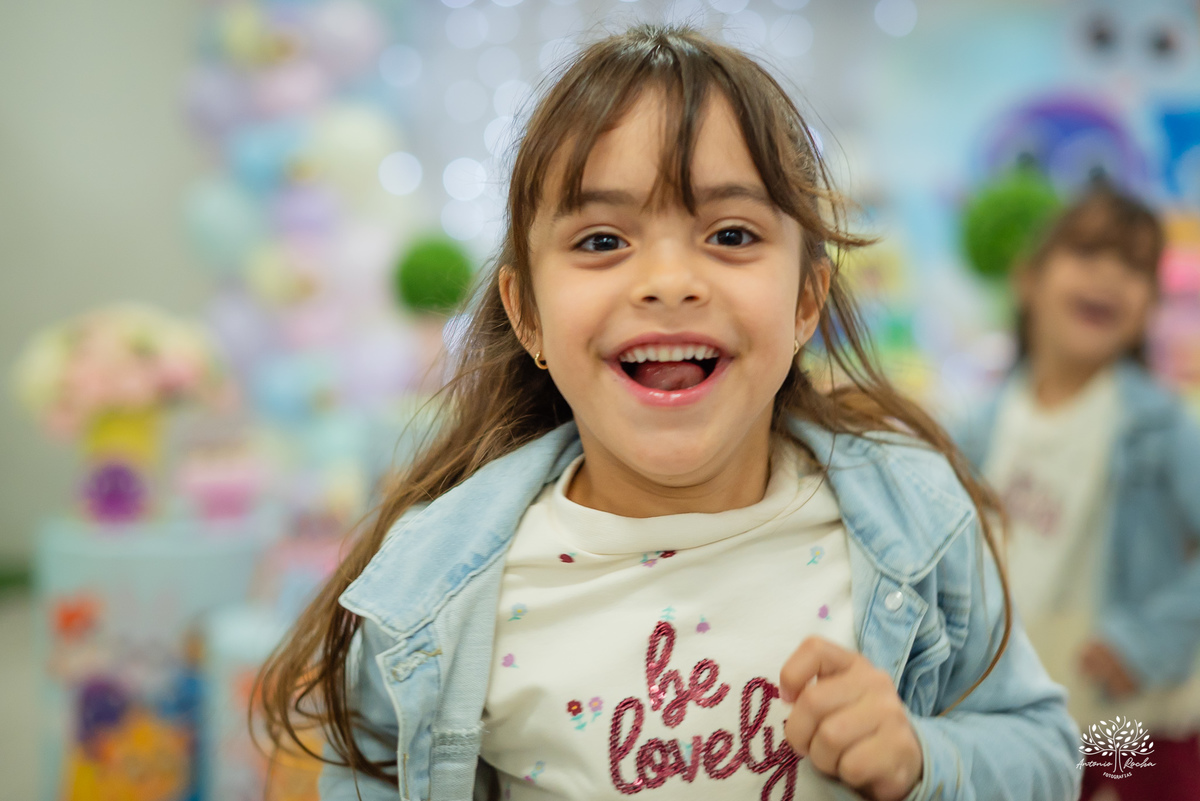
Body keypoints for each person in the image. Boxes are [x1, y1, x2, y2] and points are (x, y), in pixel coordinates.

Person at [256, 25, 1080, 801]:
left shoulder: (917, 525)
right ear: (529, 314)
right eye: (602, 241)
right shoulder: (435, 591)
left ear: (805, 302)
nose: (669, 281)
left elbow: (1051, 746)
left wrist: (923, 758)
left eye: (729, 233)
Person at [953, 182, 1200, 800]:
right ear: (1028, 279)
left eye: (1135, 266)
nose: (1111, 276)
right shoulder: (983, 423)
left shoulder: (1157, 424)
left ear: (1149, 305)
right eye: (1089, 253)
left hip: (1126, 708)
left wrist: (1144, 639)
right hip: (1026, 701)